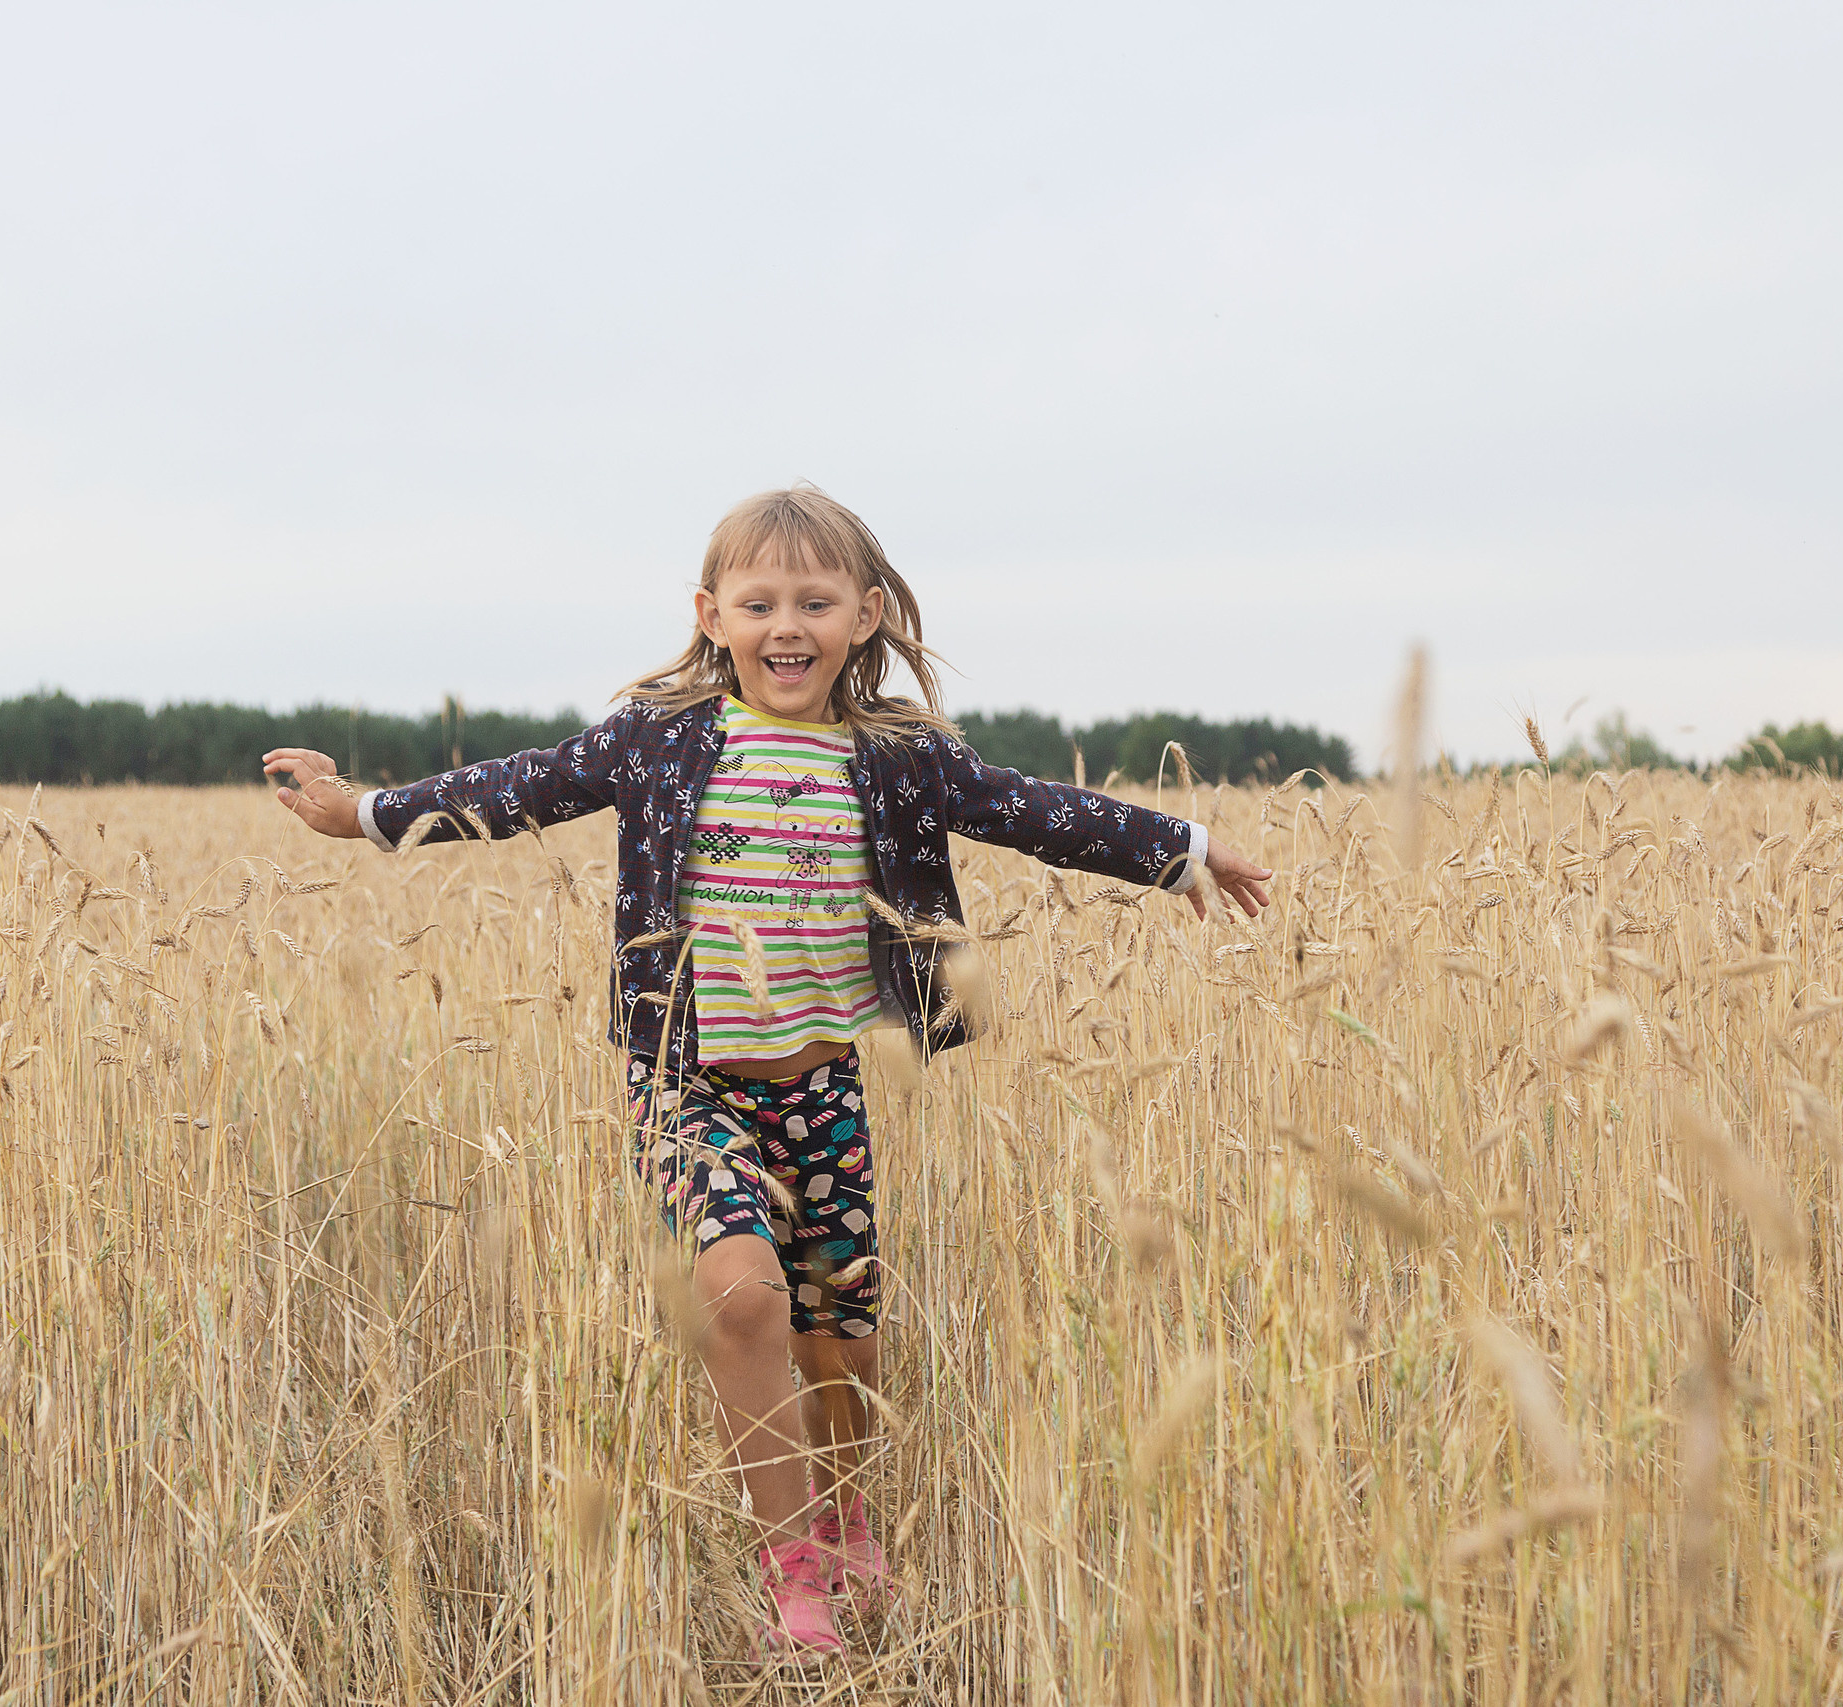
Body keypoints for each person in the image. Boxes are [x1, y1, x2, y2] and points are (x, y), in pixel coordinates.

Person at [262, 486, 1271, 1657]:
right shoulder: (663, 738)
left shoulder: (897, 759)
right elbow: (523, 786)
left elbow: (1027, 811)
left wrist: (1181, 852)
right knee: (740, 1297)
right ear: (711, 614)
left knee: (843, 1339)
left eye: (814, 600)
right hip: (686, 1077)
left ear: (866, 614)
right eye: (758, 602)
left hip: (823, 1086)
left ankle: (845, 1519)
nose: (785, 624)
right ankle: (792, 1567)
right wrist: (369, 814)